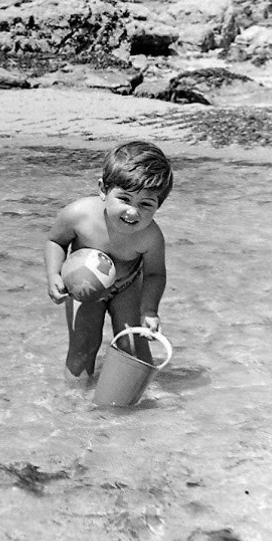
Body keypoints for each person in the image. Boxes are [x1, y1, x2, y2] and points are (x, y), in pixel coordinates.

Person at [44, 140, 174, 383]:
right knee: (83, 346)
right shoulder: (78, 215)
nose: (133, 212)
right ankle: (73, 400)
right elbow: (55, 241)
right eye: (124, 199)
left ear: (159, 205)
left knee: (133, 345)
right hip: (83, 287)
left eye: (146, 204)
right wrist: (54, 275)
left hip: (127, 286)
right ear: (103, 190)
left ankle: (136, 397)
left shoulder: (151, 237)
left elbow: (155, 274)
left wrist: (149, 310)